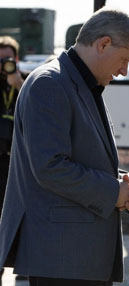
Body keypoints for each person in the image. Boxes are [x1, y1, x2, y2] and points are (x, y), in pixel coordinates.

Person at [0, 8, 129, 286]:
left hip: (73, 259)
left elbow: (78, 157)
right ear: (103, 44)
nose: (124, 70)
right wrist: (113, 191)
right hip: (63, 259)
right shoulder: (50, 84)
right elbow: (50, 167)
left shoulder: (74, 82)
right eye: (124, 59)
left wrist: (119, 183)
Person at [0, 36, 25, 284]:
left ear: (16, 59)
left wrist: (18, 83)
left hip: (16, 165)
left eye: (8, 58)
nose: (3, 63)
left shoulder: (27, 82)